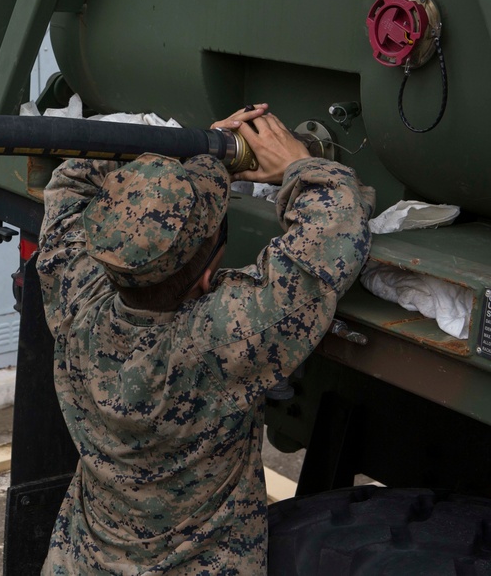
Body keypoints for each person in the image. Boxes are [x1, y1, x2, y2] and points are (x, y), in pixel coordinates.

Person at [36, 104, 375, 574]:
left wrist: (192, 153)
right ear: (208, 275)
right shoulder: (222, 341)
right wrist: (296, 162)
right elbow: (336, 232)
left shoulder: (76, 299)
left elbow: (71, 181)